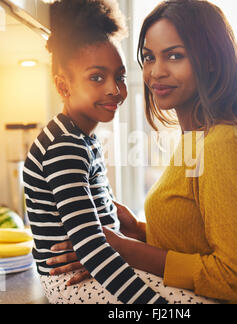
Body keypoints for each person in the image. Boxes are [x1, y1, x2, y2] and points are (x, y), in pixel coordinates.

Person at [46, 0, 237, 304]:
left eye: (174, 56)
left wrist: (124, 249)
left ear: (210, 60)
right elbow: (195, 238)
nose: (156, 72)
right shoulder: (195, 140)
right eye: (148, 57)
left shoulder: (223, 143)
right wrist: (137, 230)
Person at [23, 0, 215, 305]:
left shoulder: (79, 138)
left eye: (120, 76)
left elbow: (94, 230)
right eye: (97, 77)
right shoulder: (65, 146)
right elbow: (91, 248)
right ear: (63, 86)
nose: (115, 89)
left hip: (96, 269)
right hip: (73, 281)